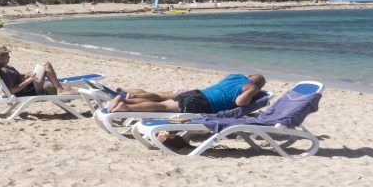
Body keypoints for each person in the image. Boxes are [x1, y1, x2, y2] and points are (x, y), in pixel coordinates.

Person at [109, 73, 266, 114]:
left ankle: (128, 101)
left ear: (250, 75)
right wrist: (253, 93)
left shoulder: (235, 76)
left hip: (197, 93)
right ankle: (126, 107)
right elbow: (240, 102)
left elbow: (226, 88)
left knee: (163, 101)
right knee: (162, 106)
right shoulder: (252, 87)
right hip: (204, 103)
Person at [0, 46, 76, 96]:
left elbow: (17, 79)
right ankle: (60, 90)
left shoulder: (5, 68)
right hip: (27, 91)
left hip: (29, 86)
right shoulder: (3, 71)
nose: (9, 57)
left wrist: (26, 76)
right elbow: (11, 91)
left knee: (51, 82)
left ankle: (73, 92)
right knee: (46, 65)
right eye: (7, 55)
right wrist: (28, 81)